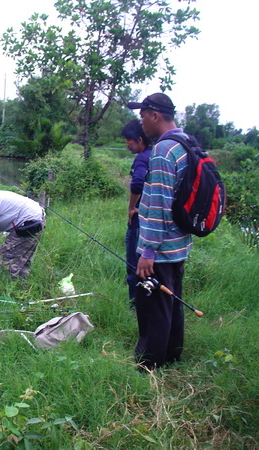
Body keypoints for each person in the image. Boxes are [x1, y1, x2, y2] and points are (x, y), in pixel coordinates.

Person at [127, 93, 193, 370]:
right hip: (180, 243)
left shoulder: (164, 150)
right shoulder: (186, 142)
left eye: (142, 116)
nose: (141, 122)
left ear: (155, 115)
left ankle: (148, 365)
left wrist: (147, 252)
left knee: (153, 305)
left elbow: (158, 206)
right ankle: (172, 356)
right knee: (172, 301)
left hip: (161, 247)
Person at [121, 119, 152, 303]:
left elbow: (138, 182)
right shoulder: (154, 154)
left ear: (140, 140)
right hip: (151, 222)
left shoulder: (142, 158)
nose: (127, 144)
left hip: (139, 223)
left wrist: (132, 207)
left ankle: (135, 305)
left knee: (134, 265)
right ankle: (145, 302)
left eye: (129, 140)